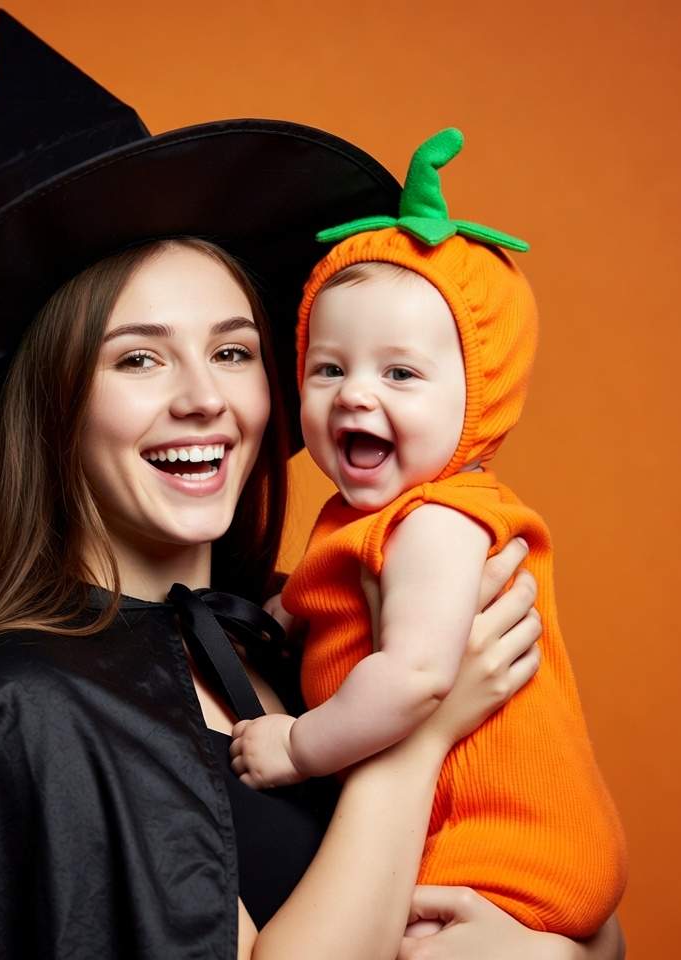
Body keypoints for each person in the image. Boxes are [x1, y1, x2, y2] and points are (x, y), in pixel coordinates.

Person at [0, 14, 626, 959]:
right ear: (53, 406)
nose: (204, 400)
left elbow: (552, 869)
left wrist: (564, 951)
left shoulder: (300, 632)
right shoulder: (31, 699)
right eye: (138, 359)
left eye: (232, 351)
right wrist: (413, 742)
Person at [229, 129, 627, 937]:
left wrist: (301, 748)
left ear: (477, 398)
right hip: (483, 840)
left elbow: (415, 675)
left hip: (505, 854)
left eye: (400, 373)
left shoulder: (438, 523)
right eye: (329, 368)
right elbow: (341, 607)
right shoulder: (369, 519)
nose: (354, 396)